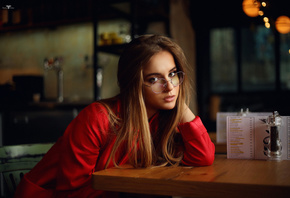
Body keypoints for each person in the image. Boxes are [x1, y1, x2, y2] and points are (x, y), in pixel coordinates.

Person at [14, 35, 215, 198]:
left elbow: (203, 157)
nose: (170, 86)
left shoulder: (163, 117)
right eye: (154, 79)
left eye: (172, 74)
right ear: (133, 84)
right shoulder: (98, 118)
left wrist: (180, 106)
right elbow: (72, 193)